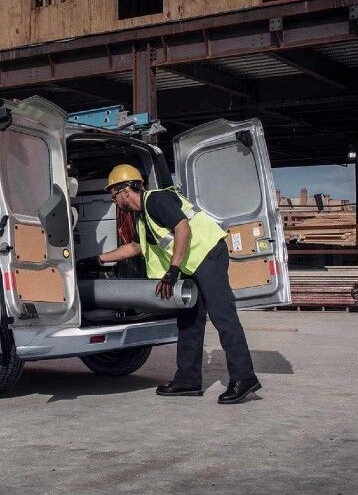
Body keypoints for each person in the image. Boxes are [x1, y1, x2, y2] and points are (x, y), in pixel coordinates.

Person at [77, 165, 261, 404]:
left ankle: (244, 378)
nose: (114, 202)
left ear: (125, 191)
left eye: (114, 196)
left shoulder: (156, 199)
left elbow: (182, 227)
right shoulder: (142, 217)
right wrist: (97, 259)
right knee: (188, 321)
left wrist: (172, 270)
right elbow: (135, 247)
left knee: (222, 315)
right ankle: (188, 380)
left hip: (208, 255)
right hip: (190, 264)